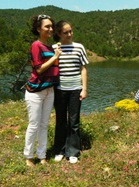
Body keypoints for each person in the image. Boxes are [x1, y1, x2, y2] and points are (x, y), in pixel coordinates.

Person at [24, 15, 61, 167]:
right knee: (34, 124)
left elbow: (54, 68)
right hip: (36, 91)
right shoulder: (36, 45)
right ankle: (28, 156)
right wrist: (55, 57)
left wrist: (56, 53)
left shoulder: (50, 47)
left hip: (49, 90)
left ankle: (42, 155)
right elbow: (39, 69)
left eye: (52, 26)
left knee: (44, 124)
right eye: (47, 27)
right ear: (39, 29)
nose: (51, 29)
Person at [52, 20, 89, 164]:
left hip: (75, 90)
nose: (70, 34)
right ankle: (60, 150)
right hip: (59, 90)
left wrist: (84, 88)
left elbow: (83, 69)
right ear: (59, 34)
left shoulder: (79, 47)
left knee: (74, 121)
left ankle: (73, 151)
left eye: (71, 31)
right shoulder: (55, 48)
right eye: (66, 32)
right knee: (60, 120)